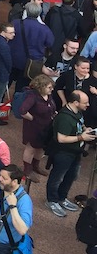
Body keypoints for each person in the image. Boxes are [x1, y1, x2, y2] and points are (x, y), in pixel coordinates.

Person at [47, 89, 96, 217]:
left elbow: (81, 124)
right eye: (85, 102)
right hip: (63, 153)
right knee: (57, 177)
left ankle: (62, 198)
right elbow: (61, 138)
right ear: (75, 102)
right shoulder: (63, 117)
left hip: (75, 152)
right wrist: (81, 138)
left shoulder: (77, 112)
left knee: (70, 176)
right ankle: (52, 200)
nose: (88, 105)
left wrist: (86, 130)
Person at [19, 74, 57, 184]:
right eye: (49, 87)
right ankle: (27, 170)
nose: (52, 89)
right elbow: (23, 110)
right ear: (41, 86)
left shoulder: (48, 96)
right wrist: (33, 118)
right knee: (31, 148)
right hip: (33, 128)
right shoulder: (32, 96)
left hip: (46, 127)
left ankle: (36, 166)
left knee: (41, 148)